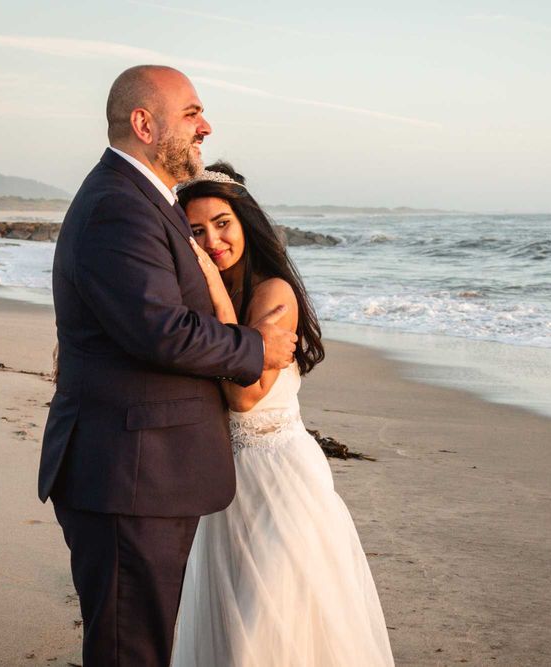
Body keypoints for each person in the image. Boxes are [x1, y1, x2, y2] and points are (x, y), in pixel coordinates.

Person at [37, 66, 298, 667]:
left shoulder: (139, 202)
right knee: (131, 650)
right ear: (144, 123)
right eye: (192, 114)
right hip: (130, 474)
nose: (205, 126)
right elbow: (160, 331)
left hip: (141, 470)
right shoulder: (117, 208)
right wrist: (256, 349)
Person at [171, 162, 395, 666]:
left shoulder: (273, 292)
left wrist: (212, 287)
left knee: (272, 621)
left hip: (280, 477)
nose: (213, 241)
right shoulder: (200, 299)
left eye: (222, 223)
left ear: (245, 221)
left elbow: (245, 397)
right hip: (223, 483)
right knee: (230, 627)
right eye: (197, 231)